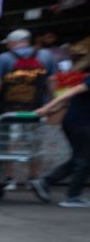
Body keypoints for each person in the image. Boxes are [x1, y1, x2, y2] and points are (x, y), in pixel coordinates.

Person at [34, 80, 90, 208]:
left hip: (77, 123)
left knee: (80, 158)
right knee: (83, 161)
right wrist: (46, 108)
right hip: (81, 123)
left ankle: (46, 181)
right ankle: (73, 196)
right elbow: (69, 93)